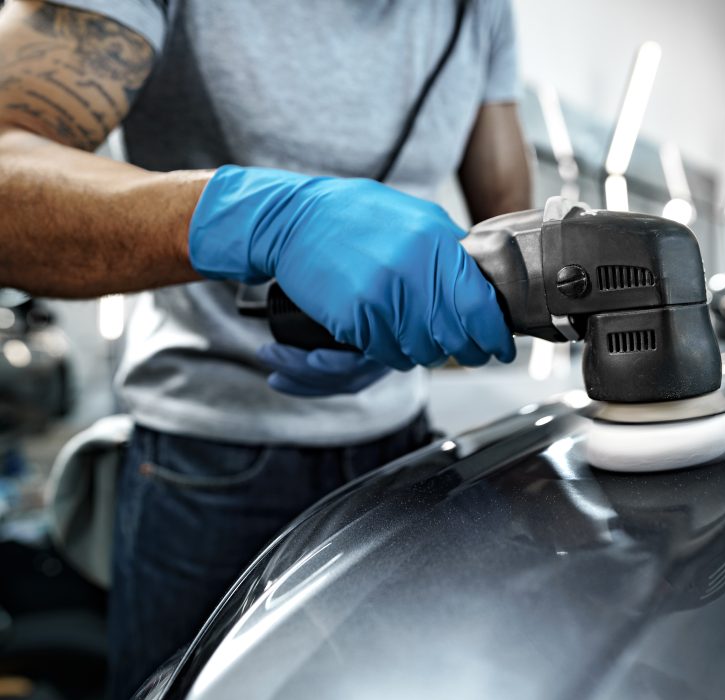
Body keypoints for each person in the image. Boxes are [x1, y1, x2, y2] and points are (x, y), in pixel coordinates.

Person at [0, 0, 532, 696]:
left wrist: (414, 324)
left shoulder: (478, 12)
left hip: (400, 454)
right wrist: (267, 217)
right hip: (205, 466)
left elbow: (510, 237)